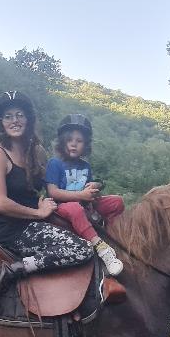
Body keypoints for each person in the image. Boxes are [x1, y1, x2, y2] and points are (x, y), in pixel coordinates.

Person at [0, 91, 95, 307]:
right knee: (82, 248)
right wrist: (38, 212)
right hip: (12, 230)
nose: (14, 120)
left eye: (20, 115)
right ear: (1, 121)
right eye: (8, 116)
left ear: (28, 119)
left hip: (36, 223)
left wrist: (86, 189)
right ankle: (16, 268)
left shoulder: (37, 152)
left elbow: (55, 186)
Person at [45, 114, 125, 276]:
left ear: (85, 145)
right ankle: (102, 248)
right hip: (63, 207)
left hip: (85, 204)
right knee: (75, 208)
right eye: (69, 140)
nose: (74, 144)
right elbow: (53, 192)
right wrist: (81, 195)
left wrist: (95, 186)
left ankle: (111, 237)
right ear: (62, 142)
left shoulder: (85, 166)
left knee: (117, 201)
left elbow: (89, 191)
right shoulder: (55, 163)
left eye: (79, 141)